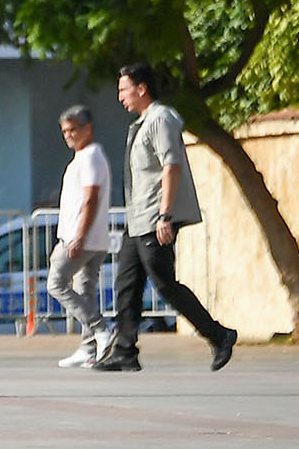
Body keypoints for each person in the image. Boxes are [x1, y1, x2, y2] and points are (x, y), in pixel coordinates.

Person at [94, 64, 238, 373]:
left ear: (142, 89)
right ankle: (125, 350)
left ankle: (218, 334)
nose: (120, 96)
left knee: (164, 283)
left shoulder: (161, 119)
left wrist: (165, 215)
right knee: (127, 284)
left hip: (155, 216)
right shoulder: (142, 123)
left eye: (124, 89)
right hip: (138, 218)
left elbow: (171, 166)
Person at [51, 104, 114, 368]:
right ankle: (89, 347)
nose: (68, 135)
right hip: (94, 238)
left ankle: (101, 327)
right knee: (84, 289)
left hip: (81, 238)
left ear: (87, 129)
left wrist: (78, 235)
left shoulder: (90, 155)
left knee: (56, 283)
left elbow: (91, 198)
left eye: (73, 130)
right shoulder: (85, 156)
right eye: (65, 131)